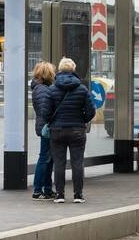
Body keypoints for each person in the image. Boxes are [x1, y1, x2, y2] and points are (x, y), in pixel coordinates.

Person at [44, 57, 95, 204]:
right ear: (74, 70)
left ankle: (60, 195)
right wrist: (81, 121)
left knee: (59, 163)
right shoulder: (82, 89)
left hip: (57, 131)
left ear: (59, 70)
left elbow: (45, 112)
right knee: (77, 163)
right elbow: (91, 112)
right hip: (77, 130)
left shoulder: (52, 89)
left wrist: (52, 122)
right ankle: (78, 195)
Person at [30, 61, 56, 200]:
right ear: (47, 74)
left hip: (43, 126)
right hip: (47, 127)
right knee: (45, 158)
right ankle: (38, 189)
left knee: (48, 158)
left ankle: (47, 189)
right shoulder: (43, 90)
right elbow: (46, 111)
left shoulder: (40, 88)